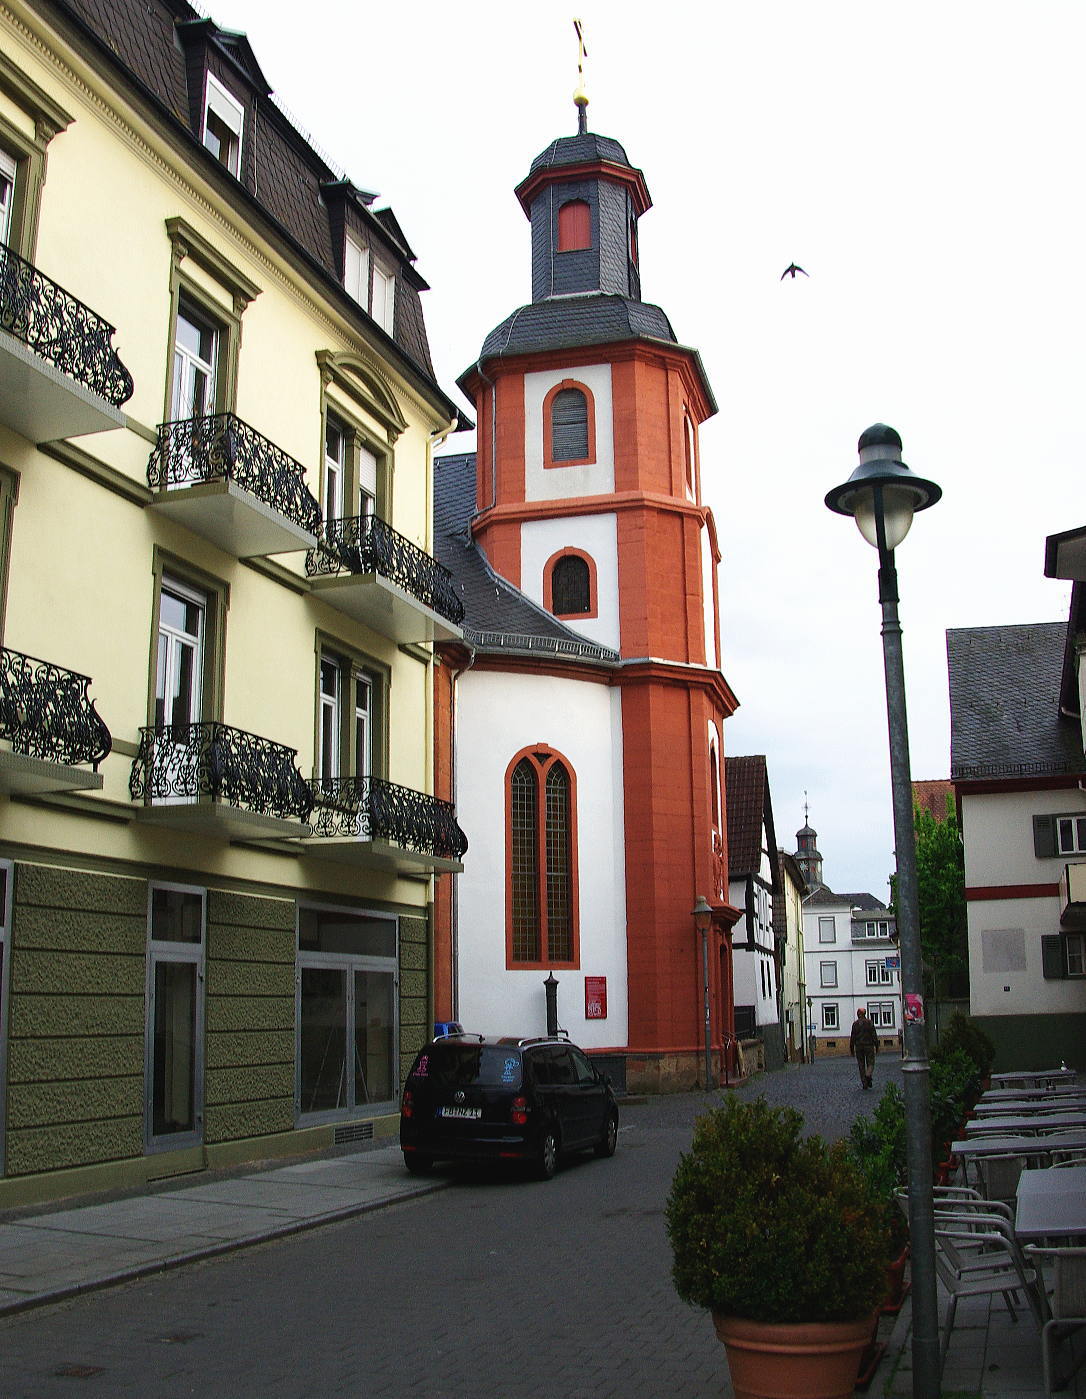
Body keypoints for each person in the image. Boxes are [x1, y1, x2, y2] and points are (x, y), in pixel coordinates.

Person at [849, 1007, 878, 1090]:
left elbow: (852, 1037)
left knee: (861, 1065)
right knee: (871, 1063)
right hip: (869, 1046)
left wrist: (851, 1049)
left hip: (859, 1047)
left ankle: (864, 1083)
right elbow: (874, 1035)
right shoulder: (869, 1022)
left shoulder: (855, 1024)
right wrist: (877, 1046)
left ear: (858, 1014)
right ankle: (868, 1075)